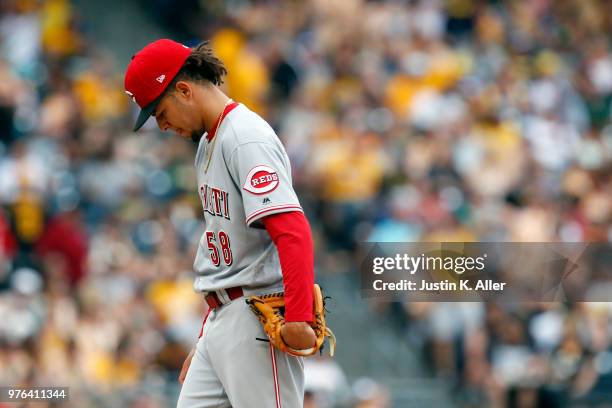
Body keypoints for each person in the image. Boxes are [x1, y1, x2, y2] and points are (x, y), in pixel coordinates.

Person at [124, 39, 317, 408]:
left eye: (160, 113)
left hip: (256, 317)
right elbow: (222, 249)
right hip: (222, 316)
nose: (161, 126)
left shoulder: (245, 138)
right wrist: (205, 337)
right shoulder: (208, 144)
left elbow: (292, 230)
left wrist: (298, 315)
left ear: (183, 90)